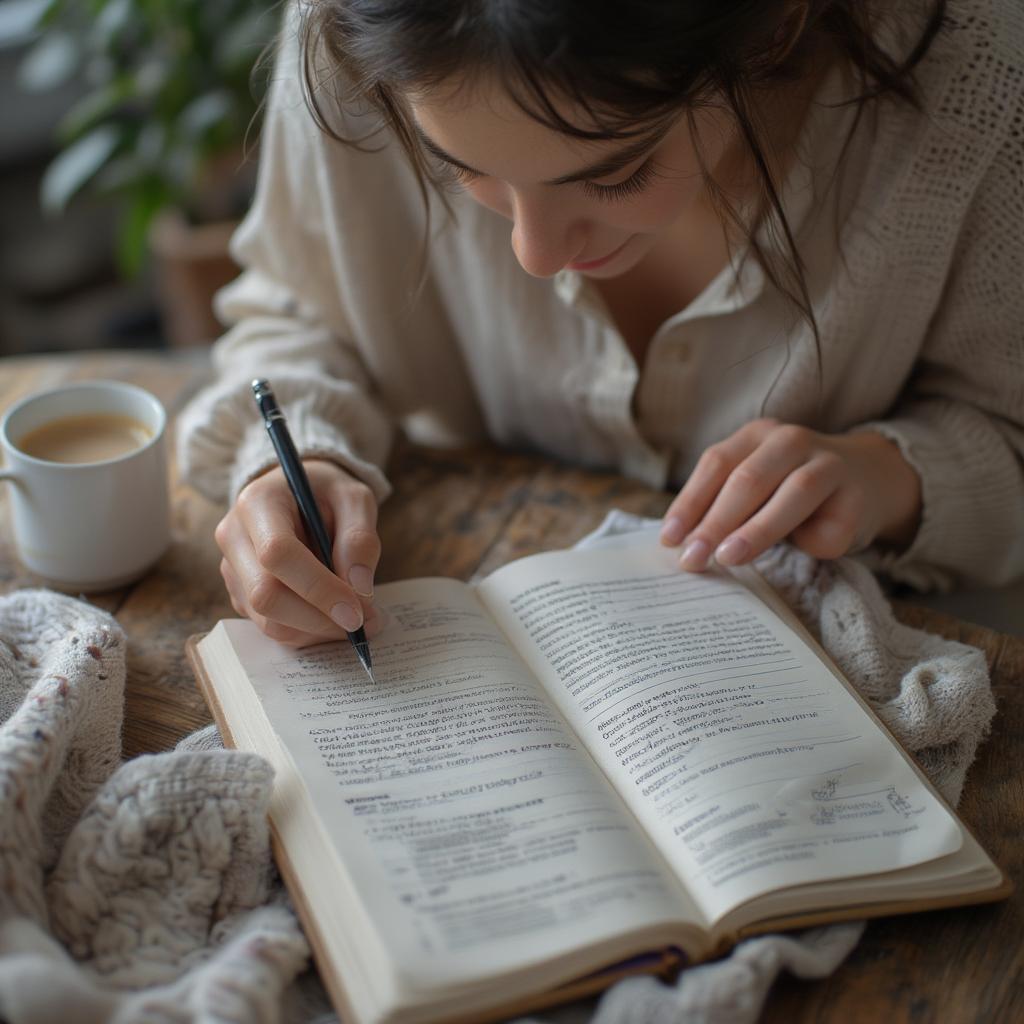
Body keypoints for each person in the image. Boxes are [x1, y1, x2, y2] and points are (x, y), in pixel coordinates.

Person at [178, 0, 1024, 647]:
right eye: (458, 168)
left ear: (772, 29)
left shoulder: (983, 89)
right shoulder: (358, 31)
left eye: (614, 174)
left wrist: (889, 478)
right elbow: (295, 309)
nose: (534, 254)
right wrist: (300, 460)